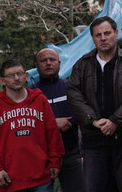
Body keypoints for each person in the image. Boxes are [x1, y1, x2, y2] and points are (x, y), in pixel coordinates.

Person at [67, 17, 122, 192]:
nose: (103, 38)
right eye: (98, 35)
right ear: (92, 38)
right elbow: (73, 95)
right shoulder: (82, 65)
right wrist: (93, 120)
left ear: (116, 34)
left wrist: (116, 120)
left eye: (107, 33)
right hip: (93, 141)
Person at [0, 59, 63, 192]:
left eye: (20, 73)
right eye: (10, 75)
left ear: (27, 76)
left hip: (41, 179)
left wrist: (55, 161)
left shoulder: (40, 100)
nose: (16, 78)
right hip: (9, 181)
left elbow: (53, 134)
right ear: (2, 81)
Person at [34, 47, 84, 192]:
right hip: (42, 157)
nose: (48, 63)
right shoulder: (31, 93)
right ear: (36, 66)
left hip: (71, 152)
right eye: (43, 61)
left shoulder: (71, 87)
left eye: (52, 60)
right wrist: (53, 124)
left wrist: (68, 121)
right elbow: (29, 123)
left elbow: (81, 113)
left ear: (59, 63)